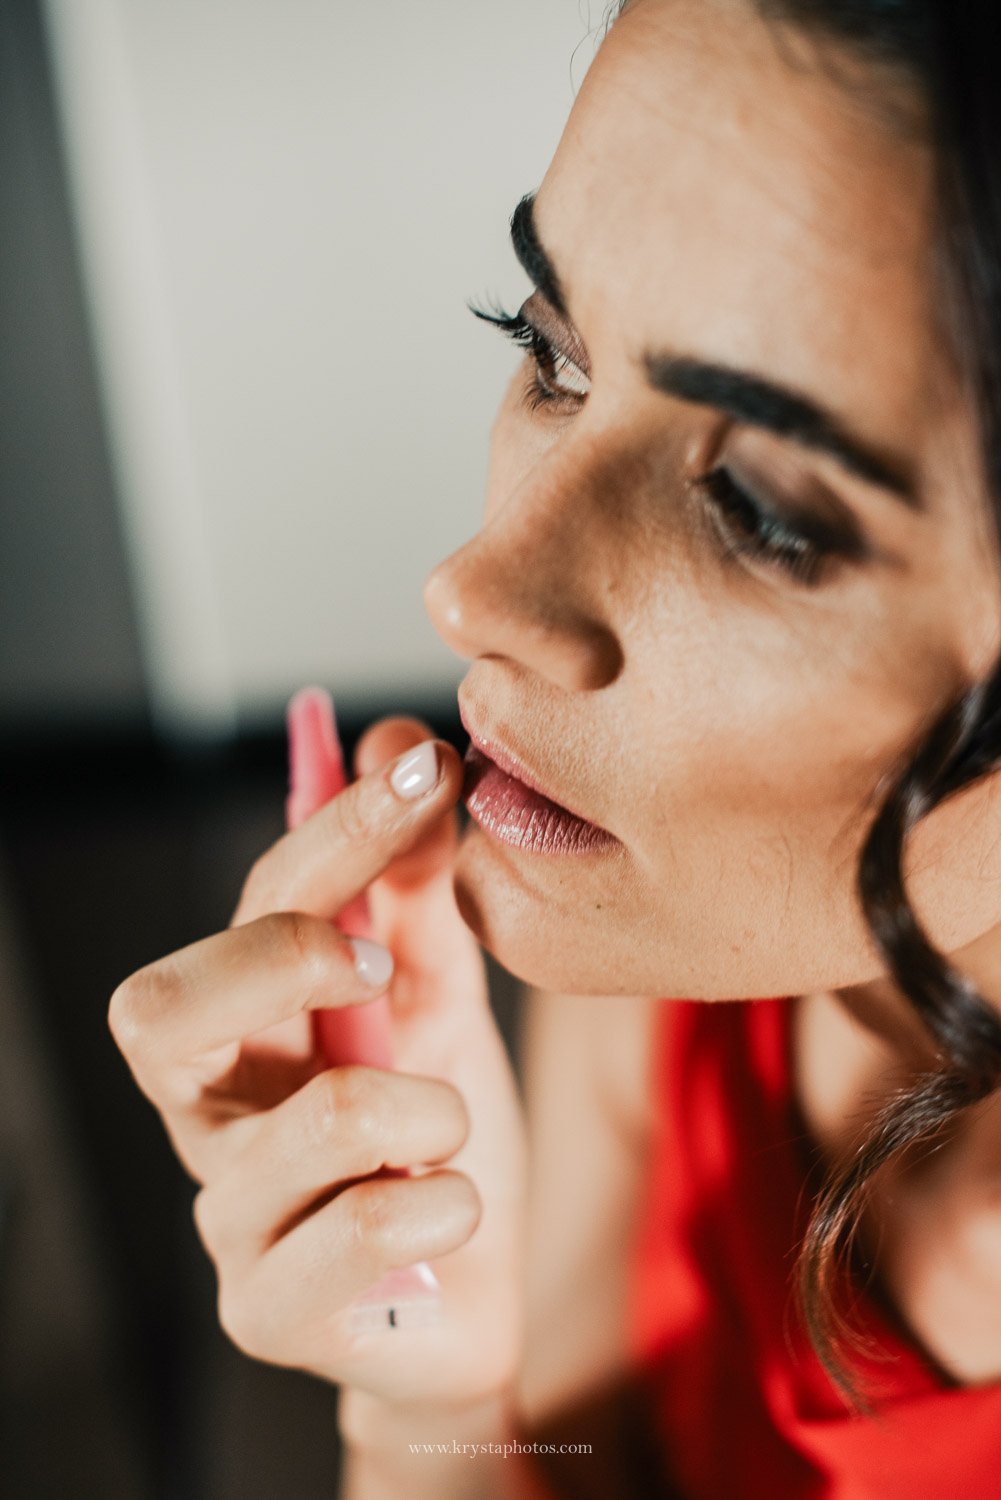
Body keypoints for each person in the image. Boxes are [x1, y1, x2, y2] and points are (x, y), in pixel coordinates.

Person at [109, 1, 1001, 1495]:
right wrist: (425, 1397)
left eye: (762, 514)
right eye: (549, 354)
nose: (468, 588)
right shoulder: (700, 944)